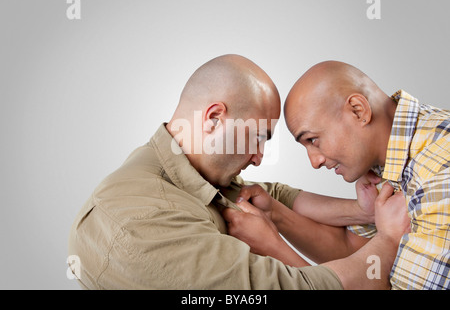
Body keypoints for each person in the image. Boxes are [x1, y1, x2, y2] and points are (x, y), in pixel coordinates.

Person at [68, 55, 409, 290]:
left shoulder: (183, 169)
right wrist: (389, 239)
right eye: (258, 138)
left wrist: (362, 211)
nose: (259, 158)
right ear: (214, 118)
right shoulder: (143, 221)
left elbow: (270, 197)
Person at [278, 60, 449, 290]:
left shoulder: (440, 170)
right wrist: (273, 214)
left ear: (359, 111)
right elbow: (357, 252)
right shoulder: (390, 157)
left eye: (313, 140)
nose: (314, 162)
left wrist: (272, 246)